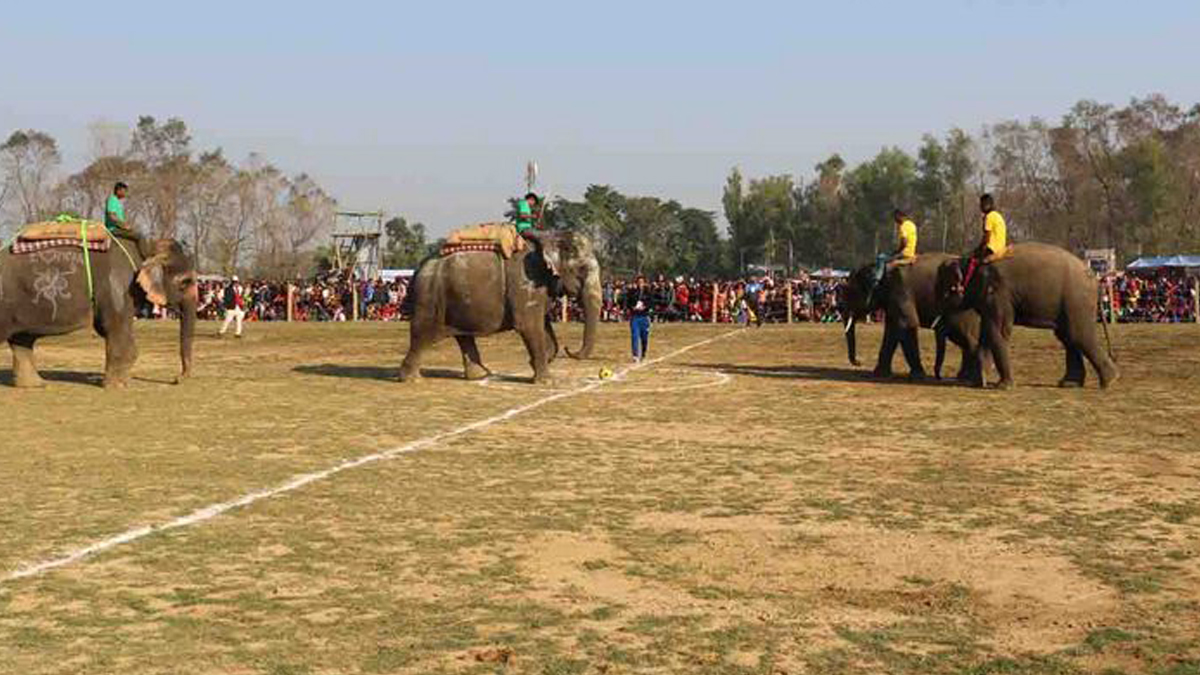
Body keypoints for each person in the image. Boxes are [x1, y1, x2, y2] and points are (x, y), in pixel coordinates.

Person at [963, 194, 1007, 286]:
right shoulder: (998, 216)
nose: (980, 207)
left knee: (971, 262)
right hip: (1001, 248)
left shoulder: (989, 216)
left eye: (981, 205)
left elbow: (987, 236)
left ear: (986, 205)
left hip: (992, 248)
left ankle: (965, 285)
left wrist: (979, 249)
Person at [874, 209, 918, 284]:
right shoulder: (912, 225)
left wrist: (898, 251)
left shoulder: (903, 226)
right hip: (911, 251)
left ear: (900, 216)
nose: (896, 221)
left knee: (881, 257)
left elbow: (904, 242)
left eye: (896, 218)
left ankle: (877, 279)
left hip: (904, 253)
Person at [625, 275, 652, 362]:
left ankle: (643, 353)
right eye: (638, 282)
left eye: (642, 282)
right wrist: (631, 307)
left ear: (644, 283)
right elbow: (627, 302)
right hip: (635, 317)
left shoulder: (648, 292)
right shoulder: (632, 292)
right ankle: (635, 355)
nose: (640, 284)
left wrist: (645, 307)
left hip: (644, 316)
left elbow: (651, 303)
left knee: (644, 337)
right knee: (635, 335)